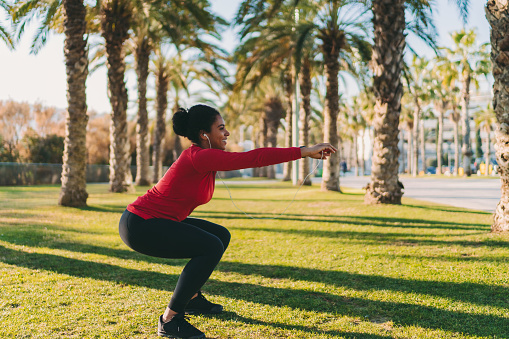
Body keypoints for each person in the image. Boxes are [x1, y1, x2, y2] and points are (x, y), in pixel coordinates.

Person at [119, 104, 336, 339]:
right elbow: (254, 158)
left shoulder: (203, 159)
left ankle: (192, 299)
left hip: (154, 221)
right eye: (221, 128)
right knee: (210, 246)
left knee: (220, 236)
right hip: (141, 225)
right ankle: (170, 320)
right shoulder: (198, 157)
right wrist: (303, 151)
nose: (227, 133)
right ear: (204, 134)